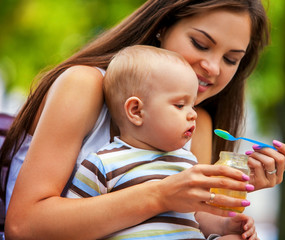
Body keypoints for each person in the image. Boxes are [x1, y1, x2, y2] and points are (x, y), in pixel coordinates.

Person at [0, 0, 285, 239]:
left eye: (231, 59)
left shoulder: (199, 123)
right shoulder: (85, 85)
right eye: (200, 44)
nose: (212, 67)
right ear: (162, 26)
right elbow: (24, 227)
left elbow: (189, 221)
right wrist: (161, 195)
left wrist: (231, 203)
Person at [66, 45, 258, 240]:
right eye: (180, 105)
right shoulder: (103, 163)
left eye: (192, 105)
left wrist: (226, 225)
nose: (192, 114)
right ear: (136, 111)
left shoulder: (187, 160)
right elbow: (76, 223)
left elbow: (198, 215)